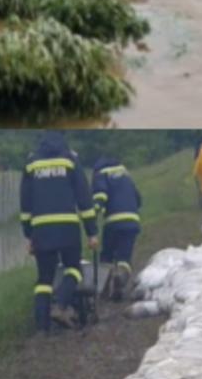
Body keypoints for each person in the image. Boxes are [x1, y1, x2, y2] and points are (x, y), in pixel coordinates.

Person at [20, 131, 97, 335]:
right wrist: (92, 232)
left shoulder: (31, 162)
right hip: (67, 226)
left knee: (44, 278)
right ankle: (61, 306)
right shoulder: (70, 159)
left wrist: (28, 234)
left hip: (41, 228)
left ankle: (42, 328)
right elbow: (84, 198)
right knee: (73, 268)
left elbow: (25, 203)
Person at [90, 155, 142, 303]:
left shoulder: (101, 175)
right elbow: (138, 199)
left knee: (106, 255)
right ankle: (120, 276)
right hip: (132, 221)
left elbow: (100, 197)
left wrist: (93, 216)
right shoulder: (125, 175)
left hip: (113, 222)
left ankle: (104, 288)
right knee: (124, 257)